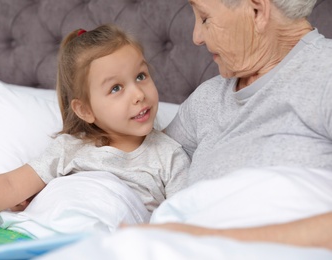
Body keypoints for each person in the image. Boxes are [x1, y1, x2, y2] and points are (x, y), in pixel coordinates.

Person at [0, 24, 190, 231]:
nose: (138, 94)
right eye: (116, 88)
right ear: (85, 110)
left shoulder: (169, 157)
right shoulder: (70, 149)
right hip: (43, 232)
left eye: (141, 76)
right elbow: (9, 185)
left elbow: (186, 224)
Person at [132, 0, 332, 250]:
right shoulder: (207, 98)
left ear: (257, 11)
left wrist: (205, 238)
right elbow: (142, 167)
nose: (196, 37)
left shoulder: (325, 73)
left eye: (204, 18)